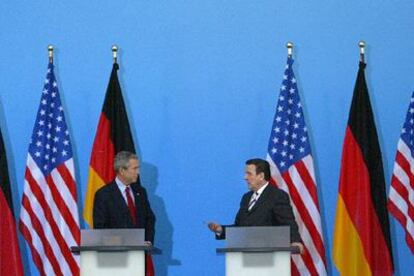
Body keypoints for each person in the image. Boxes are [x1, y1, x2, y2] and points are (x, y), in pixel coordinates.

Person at [208, 158, 304, 253]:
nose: (245, 177)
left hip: (270, 257)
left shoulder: (277, 196)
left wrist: (295, 241)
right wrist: (220, 230)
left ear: (261, 176)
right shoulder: (246, 198)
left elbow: (288, 222)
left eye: (249, 173)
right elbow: (240, 228)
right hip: (244, 258)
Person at [93, 151, 156, 245]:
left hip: (140, 253)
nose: (138, 172)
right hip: (116, 254)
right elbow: (100, 227)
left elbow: (149, 218)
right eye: (135, 168)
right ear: (122, 170)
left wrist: (147, 241)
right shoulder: (104, 195)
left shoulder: (140, 192)